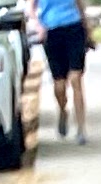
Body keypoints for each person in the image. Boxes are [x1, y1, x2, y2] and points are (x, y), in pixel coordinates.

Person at [36, 0, 90, 143]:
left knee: (76, 79)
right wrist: (38, 26)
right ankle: (62, 110)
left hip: (74, 27)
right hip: (52, 31)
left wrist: (87, 28)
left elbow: (79, 4)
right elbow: (30, 8)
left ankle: (81, 129)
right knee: (59, 84)